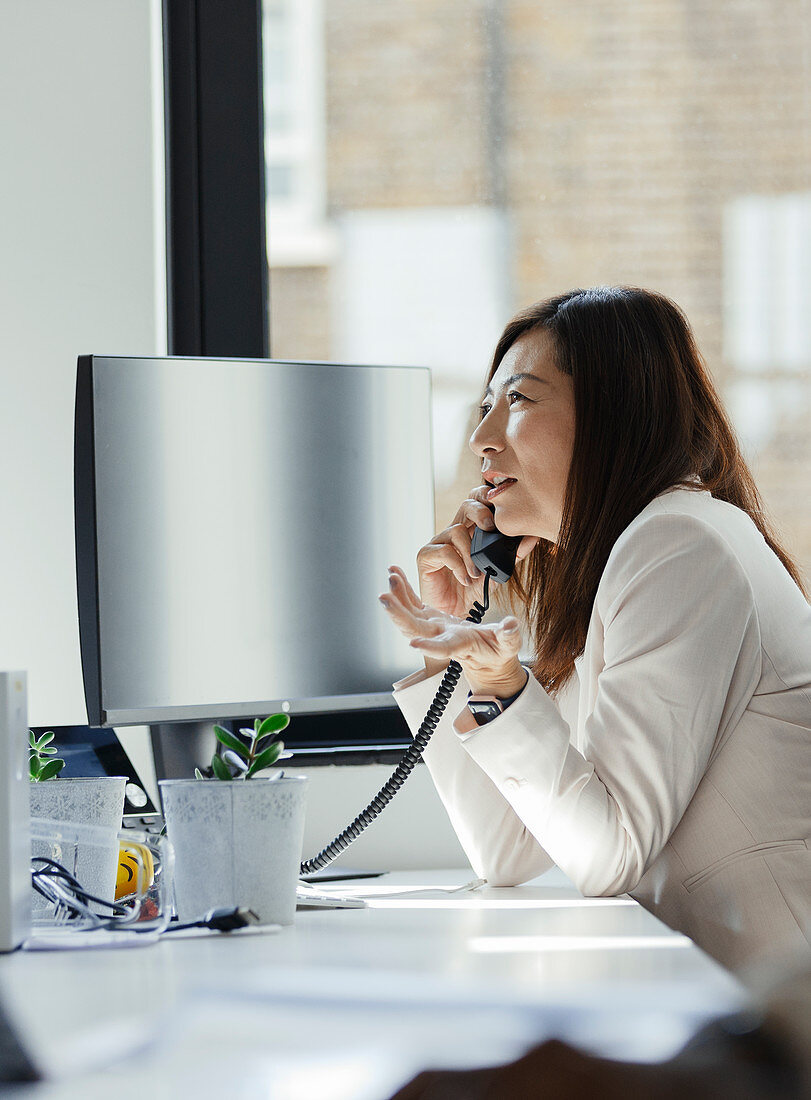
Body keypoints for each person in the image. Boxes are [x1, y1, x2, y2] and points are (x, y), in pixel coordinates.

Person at [379, 286, 811, 975]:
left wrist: (501, 682)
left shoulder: (676, 544)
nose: (481, 438)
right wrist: (450, 643)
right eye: (484, 406)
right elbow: (507, 853)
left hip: (775, 1015)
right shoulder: (625, 561)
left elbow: (605, 853)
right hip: (713, 988)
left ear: (613, 413)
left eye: (517, 400)